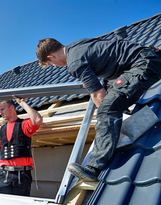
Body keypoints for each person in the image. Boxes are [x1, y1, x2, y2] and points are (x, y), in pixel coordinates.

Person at [36, 38, 161, 181]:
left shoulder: (74, 63)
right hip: (147, 58)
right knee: (109, 90)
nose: (56, 66)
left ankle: (93, 167)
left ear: (50, 57)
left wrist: (108, 118)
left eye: (51, 64)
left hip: (143, 64)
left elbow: (98, 95)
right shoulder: (77, 46)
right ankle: (121, 122)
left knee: (106, 109)